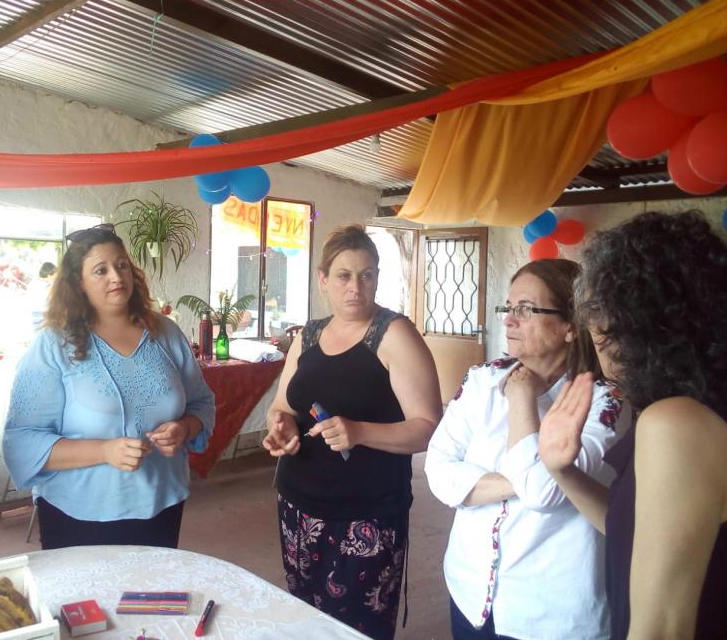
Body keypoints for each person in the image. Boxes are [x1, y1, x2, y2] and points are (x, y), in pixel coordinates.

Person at [539, 211, 727, 639]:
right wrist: (560, 470)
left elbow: (660, 630)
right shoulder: (699, 408)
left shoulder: (678, 423)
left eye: (600, 334)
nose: (599, 352)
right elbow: (639, 530)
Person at [425, 258, 630, 640]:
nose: (508, 319)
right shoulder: (482, 380)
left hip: (549, 614)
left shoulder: (605, 402)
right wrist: (526, 475)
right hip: (470, 593)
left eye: (526, 309)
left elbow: (544, 493)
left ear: (570, 326)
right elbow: (437, 470)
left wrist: (522, 398)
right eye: (509, 307)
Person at [262, 224, 442, 640]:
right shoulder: (308, 335)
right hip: (299, 504)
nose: (356, 287)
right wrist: (281, 428)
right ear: (323, 279)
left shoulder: (394, 335)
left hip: (366, 515)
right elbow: (282, 405)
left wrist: (359, 431)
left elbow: (426, 429)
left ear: (378, 277)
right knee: (306, 617)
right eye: (343, 276)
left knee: (355, 629)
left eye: (367, 275)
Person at [3, 224, 215, 550]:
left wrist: (184, 429)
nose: (116, 277)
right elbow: (22, 441)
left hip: (162, 504)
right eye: (100, 271)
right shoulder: (54, 344)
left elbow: (202, 402)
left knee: (149, 598)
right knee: (84, 602)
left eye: (121, 265)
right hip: (78, 514)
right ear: (79, 283)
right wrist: (104, 451)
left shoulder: (166, 333)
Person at [28, 261, 56, 331]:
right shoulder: (46, 286)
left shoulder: (32, 283)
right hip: (43, 315)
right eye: (55, 276)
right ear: (49, 275)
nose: (56, 278)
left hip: (34, 315)